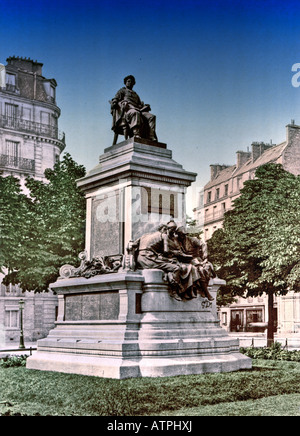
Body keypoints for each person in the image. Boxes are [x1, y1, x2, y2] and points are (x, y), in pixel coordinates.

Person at [132, 224, 183, 300]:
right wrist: (176, 253)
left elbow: (133, 245)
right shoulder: (163, 235)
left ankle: (169, 276)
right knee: (176, 267)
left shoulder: (145, 235)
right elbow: (166, 251)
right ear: (164, 229)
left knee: (165, 263)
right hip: (150, 260)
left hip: (140, 260)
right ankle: (174, 291)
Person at [111, 75, 158, 141]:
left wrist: (145, 106)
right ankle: (136, 134)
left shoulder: (135, 94)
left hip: (139, 110)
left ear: (134, 83)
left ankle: (151, 136)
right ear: (125, 82)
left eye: (132, 82)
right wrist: (115, 102)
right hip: (128, 110)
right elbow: (115, 99)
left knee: (152, 116)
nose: (130, 83)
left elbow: (140, 104)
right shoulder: (122, 91)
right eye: (128, 81)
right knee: (135, 113)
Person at [176, 227, 215, 301]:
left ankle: (206, 292)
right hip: (183, 260)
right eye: (180, 235)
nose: (182, 236)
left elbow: (203, 244)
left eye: (184, 235)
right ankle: (192, 291)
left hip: (195, 259)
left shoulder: (192, 239)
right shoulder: (176, 241)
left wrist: (205, 256)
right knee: (193, 270)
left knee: (201, 269)